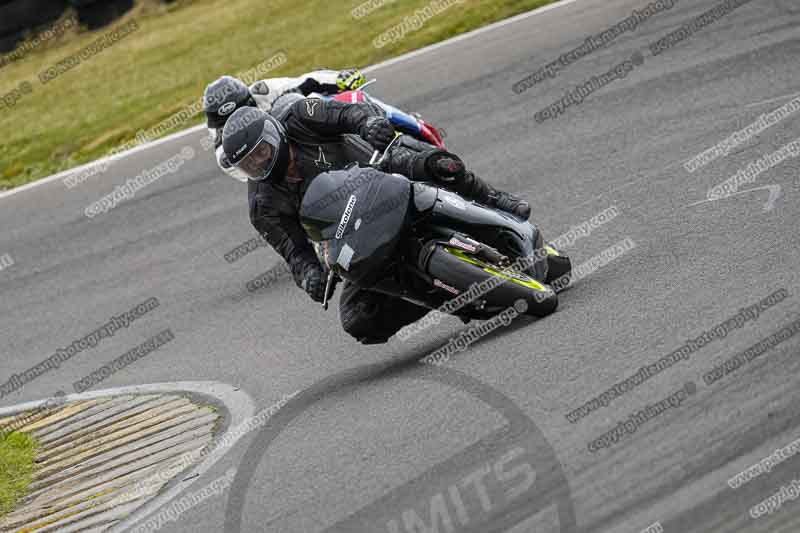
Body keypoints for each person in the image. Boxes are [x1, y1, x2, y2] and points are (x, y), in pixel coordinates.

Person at [221, 99, 530, 344]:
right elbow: (295, 254)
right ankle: (452, 294)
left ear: (274, 134)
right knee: (360, 320)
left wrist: (369, 124)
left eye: (261, 152)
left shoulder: (301, 116)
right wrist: (309, 278)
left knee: (440, 165)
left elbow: (348, 114)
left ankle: (495, 200)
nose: (258, 164)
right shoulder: (263, 207)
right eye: (248, 165)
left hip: (383, 174)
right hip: (353, 236)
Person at [203, 69, 368, 181]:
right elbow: (261, 178)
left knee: (338, 99)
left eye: (244, 111)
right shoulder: (226, 156)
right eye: (230, 120)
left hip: (303, 130)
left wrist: (339, 78)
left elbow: (305, 81)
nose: (240, 119)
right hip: (283, 168)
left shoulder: (263, 91)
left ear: (251, 100)